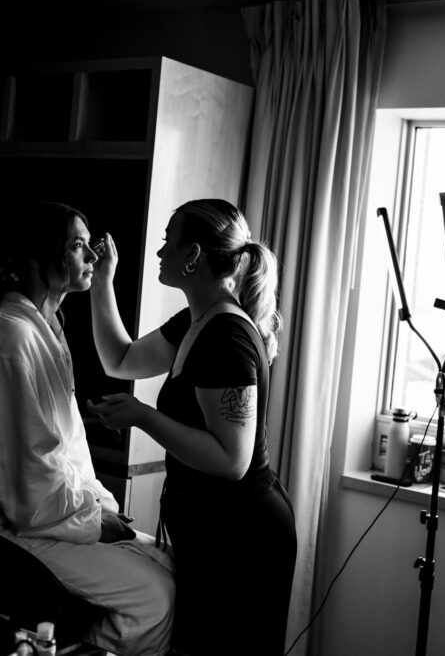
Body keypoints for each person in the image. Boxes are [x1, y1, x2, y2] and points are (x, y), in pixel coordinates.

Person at [0, 202, 175, 655]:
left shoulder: (47, 332)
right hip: (5, 520)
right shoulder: (10, 340)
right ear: (38, 257)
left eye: (89, 245)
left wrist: (100, 508)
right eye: (77, 246)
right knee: (154, 597)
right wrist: (94, 522)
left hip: (48, 507)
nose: (91, 257)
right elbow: (27, 481)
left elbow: (67, 450)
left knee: (167, 563)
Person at [87, 198, 297, 655]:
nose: (160, 251)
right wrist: (103, 281)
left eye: (169, 241)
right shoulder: (196, 321)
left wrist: (143, 417)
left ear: (194, 255)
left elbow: (232, 460)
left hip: (244, 540)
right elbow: (119, 359)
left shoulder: (227, 338)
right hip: (214, 532)